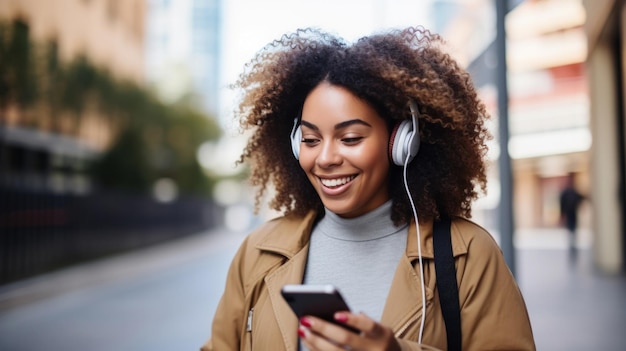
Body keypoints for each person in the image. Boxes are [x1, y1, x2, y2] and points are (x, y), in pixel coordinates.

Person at [201, 26, 535, 351]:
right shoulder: (260, 251)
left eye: (350, 139)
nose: (326, 158)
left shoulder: (468, 254)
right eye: (311, 140)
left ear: (402, 142)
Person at [559, 173, 585, 255]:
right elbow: (561, 203)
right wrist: (562, 214)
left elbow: (581, 198)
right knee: (571, 228)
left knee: (572, 228)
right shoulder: (568, 192)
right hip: (570, 213)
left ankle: (573, 242)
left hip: (572, 213)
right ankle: (572, 242)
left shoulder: (571, 192)